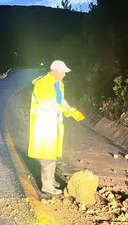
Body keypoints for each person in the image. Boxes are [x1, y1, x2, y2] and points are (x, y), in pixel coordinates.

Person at [28, 60, 85, 195]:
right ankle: (46, 186)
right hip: (43, 124)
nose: (64, 75)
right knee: (46, 156)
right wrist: (69, 112)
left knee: (52, 154)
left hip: (54, 123)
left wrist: (71, 110)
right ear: (55, 71)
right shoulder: (42, 84)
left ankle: (51, 180)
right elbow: (47, 105)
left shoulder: (58, 84)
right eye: (63, 72)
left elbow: (61, 102)